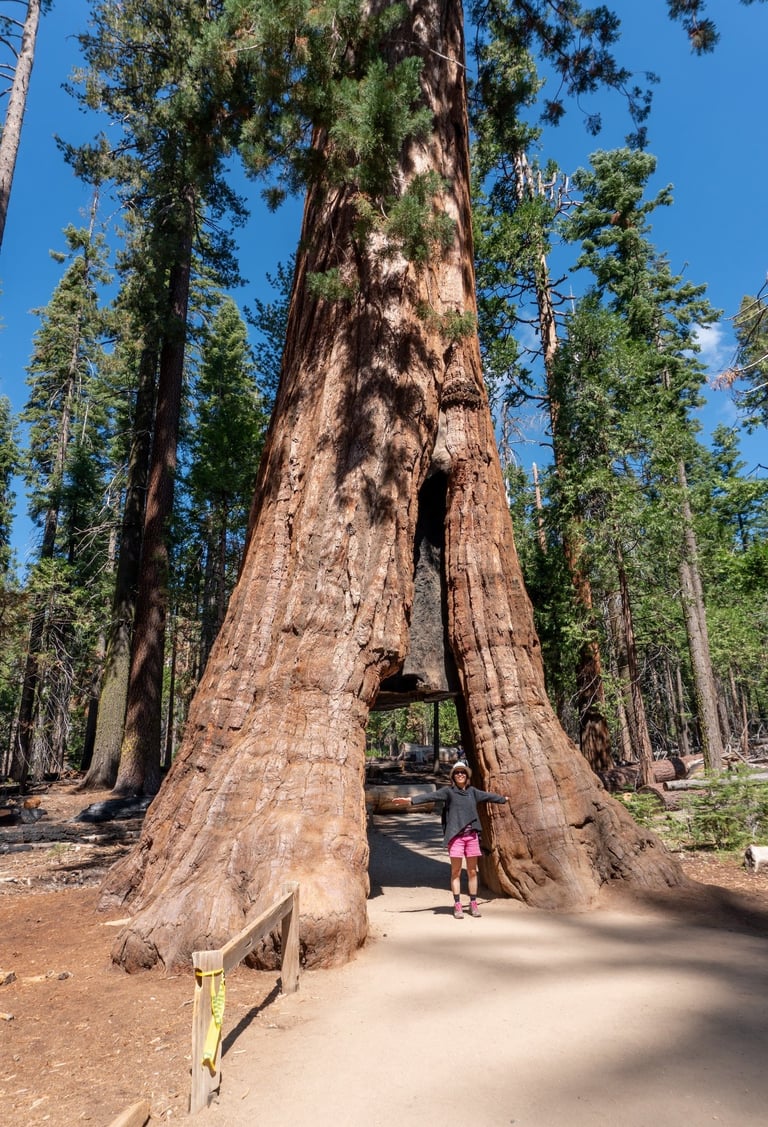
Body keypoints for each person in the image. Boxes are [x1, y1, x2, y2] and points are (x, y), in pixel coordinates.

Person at [394, 761, 508, 919]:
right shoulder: (448, 792)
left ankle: (473, 903)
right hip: (455, 837)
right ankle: (458, 904)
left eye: (462, 772)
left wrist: (504, 799)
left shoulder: (473, 792)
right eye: (457, 772)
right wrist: (409, 800)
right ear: (453, 776)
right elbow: (429, 796)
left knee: (472, 871)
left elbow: (489, 796)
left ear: (467, 776)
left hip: (471, 837)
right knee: (455, 872)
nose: (460, 774)